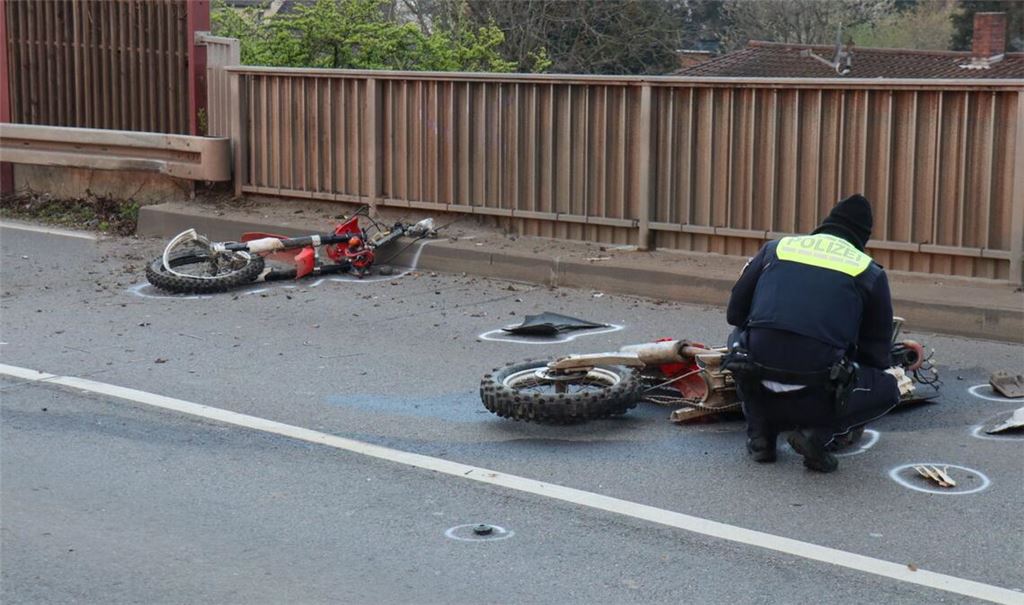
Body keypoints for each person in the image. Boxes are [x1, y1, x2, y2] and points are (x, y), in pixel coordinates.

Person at [724, 194, 901, 473]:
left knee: (738, 339)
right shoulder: (868, 272)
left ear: (824, 225)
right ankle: (817, 435)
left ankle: (761, 435)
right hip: (816, 387)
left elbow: (735, 314)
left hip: (758, 373)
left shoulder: (776, 248)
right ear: (863, 238)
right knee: (889, 388)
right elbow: (876, 357)